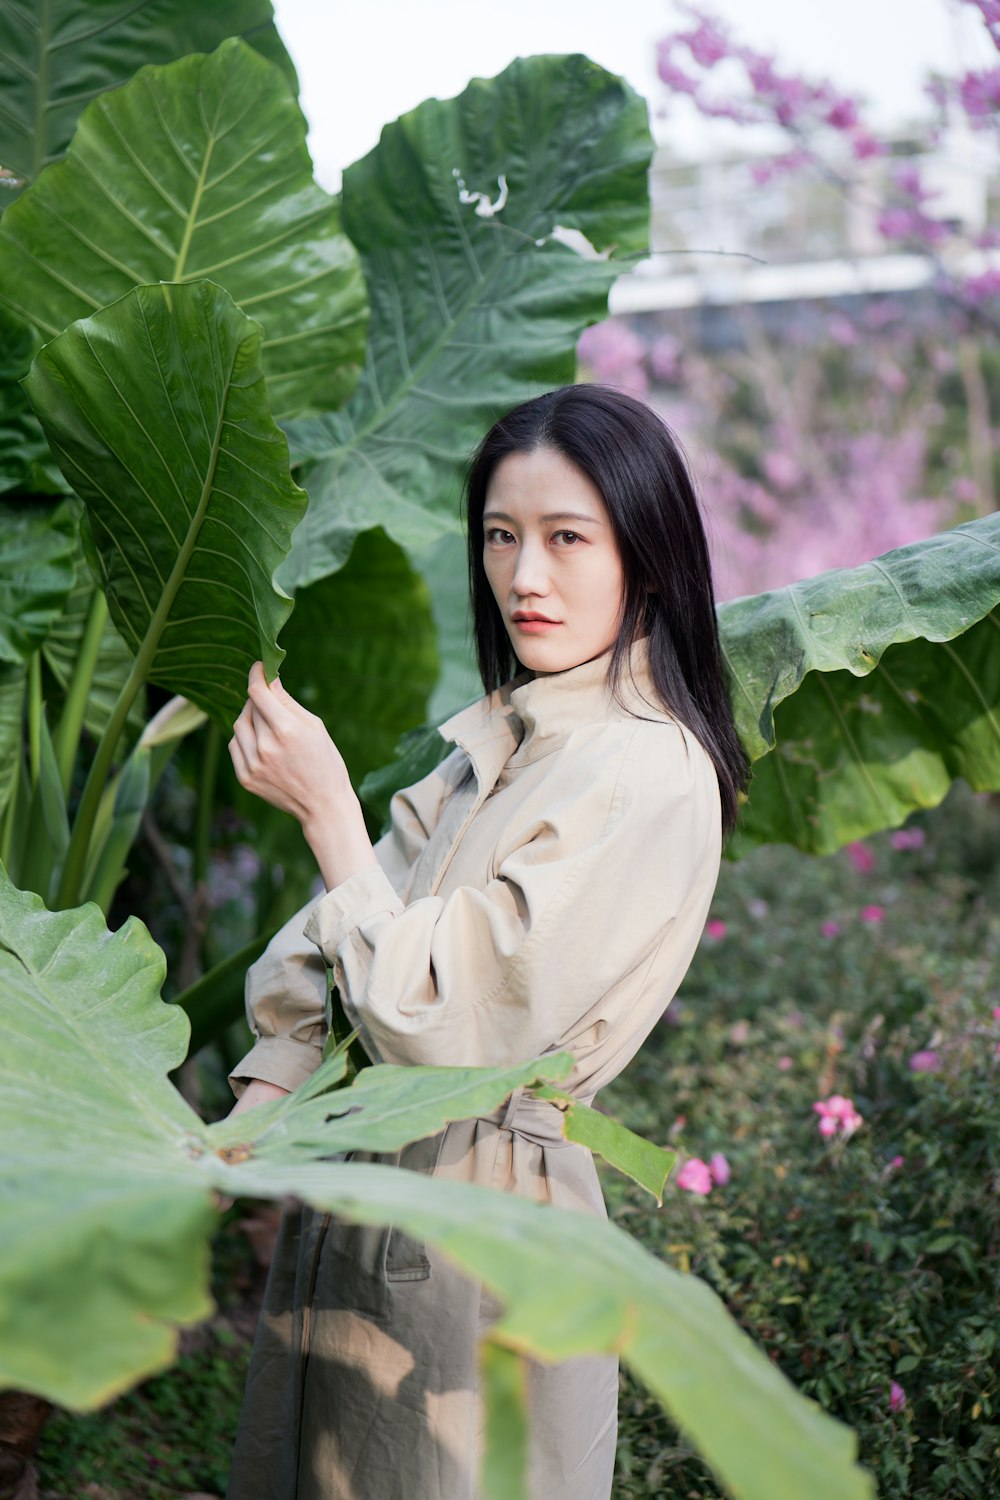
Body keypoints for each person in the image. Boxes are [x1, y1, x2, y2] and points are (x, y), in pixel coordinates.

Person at [224, 384, 749, 1500]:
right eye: (501, 537)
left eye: (567, 538)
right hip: (366, 1187)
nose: (523, 577)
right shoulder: (504, 737)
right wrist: (244, 1125)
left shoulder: (646, 767)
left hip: (485, 1221)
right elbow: (331, 959)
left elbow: (447, 1023)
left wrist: (325, 814)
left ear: (646, 556)